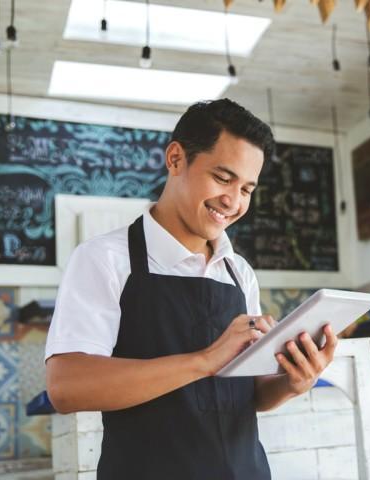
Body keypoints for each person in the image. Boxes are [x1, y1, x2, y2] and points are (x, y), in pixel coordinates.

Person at [44, 99, 339, 479]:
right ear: (176, 159)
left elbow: (247, 396)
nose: (233, 202)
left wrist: (292, 383)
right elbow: (67, 387)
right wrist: (204, 360)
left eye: (247, 188)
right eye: (222, 178)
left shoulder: (239, 273)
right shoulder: (103, 259)